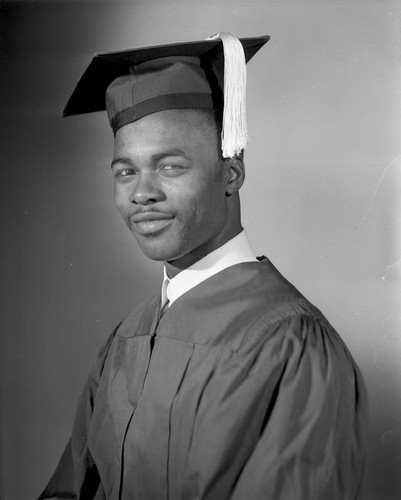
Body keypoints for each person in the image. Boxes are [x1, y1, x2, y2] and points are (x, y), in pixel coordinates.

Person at [39, 33, 368, 500]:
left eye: (169, 166)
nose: (141, 193)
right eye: (125, 171)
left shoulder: (293, 349)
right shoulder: (124, 340)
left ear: (231, 173)